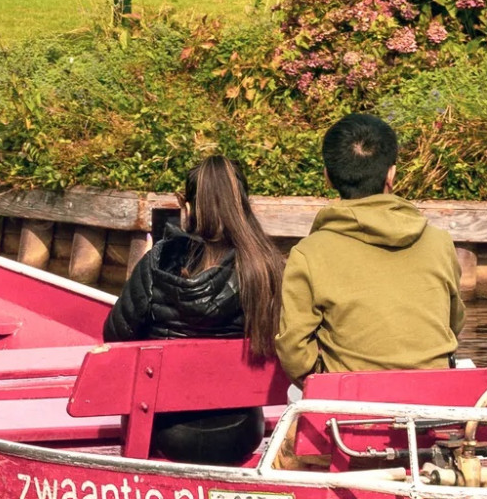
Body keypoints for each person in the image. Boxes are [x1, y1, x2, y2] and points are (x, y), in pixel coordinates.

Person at [104, 153, 286, 464]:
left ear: (189, 208)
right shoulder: (267, 267)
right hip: (240, 433)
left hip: (166, 431)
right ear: (243, 204)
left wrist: (146, 266)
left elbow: (115, 335)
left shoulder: (159, 261)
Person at [275, 112, 463, 386]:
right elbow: (453, 324)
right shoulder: (440, 242)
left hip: (349, 419)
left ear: (327, 177)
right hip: (433, 414)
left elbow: (294, 351)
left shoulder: (309, 254)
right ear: (392, 174)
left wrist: (328, 381)